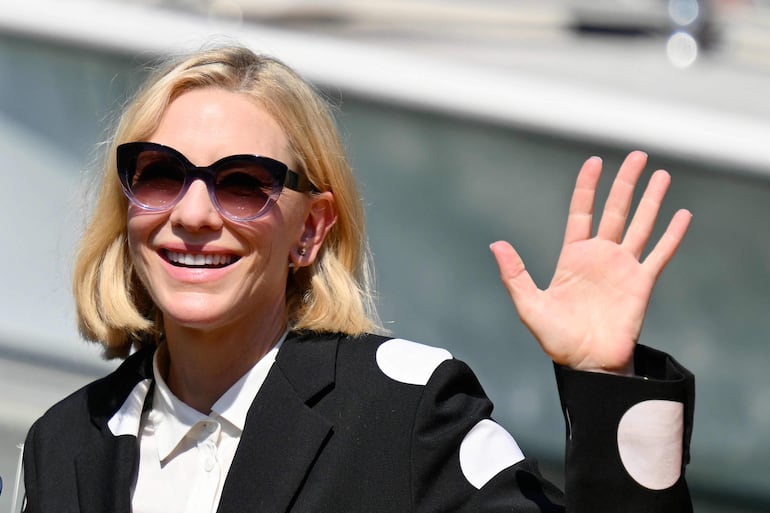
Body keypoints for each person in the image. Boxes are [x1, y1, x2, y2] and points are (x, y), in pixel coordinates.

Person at [21, 45, 695, 513]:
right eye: (162, 173)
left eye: (243, 184)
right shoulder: (61, 443)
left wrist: (606, 383)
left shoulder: (408, 415)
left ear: (310, 230)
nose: (193, 214)